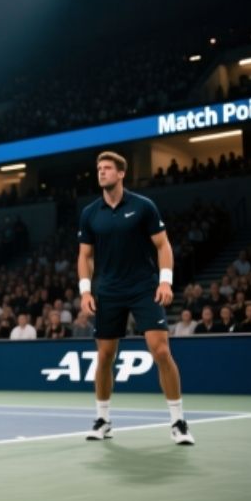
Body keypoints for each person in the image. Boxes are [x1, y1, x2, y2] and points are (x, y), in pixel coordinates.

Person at [77, 151, 194, 445]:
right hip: (109, 291)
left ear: (121, 173)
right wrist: (85, 290)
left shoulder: (143, 206)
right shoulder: (90, 213)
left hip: (143, 288)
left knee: (161, 351)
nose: (101, 172)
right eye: (99, 168)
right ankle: (103, 419)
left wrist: (165, 281)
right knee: (105, 356)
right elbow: (85, 255)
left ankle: (178, 422)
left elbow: (163, 245)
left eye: (107, 168)